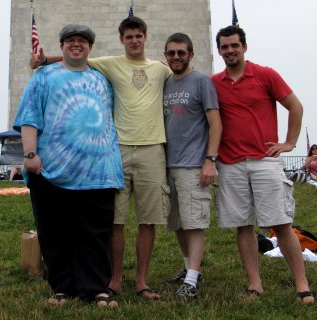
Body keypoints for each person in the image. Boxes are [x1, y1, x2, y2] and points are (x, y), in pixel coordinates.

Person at [30, 16, 172, 300]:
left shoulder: (161, 70)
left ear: (146, 37)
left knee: (148, 221)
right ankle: (114, 281)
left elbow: (182, 75)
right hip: (117, 151)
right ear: (121, 40)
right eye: (128, 36)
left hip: (151, 149)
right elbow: (75, 56)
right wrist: (44, 61)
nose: (134, 40)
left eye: (138, 36)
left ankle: (141, 281)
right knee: (113, 222)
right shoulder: (109, 64)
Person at [14, 24, 124, 307]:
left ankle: (96, 288)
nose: (77, 45)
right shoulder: (44, 77)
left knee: (96, 234)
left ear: (90, 47)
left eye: (82, 41)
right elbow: (29, 116)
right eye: (71, 40)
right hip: (51, 171)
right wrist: (29, 154)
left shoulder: (102, 79)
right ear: (62, 46)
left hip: (98, 172)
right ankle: (62, 288)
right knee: (55, 232)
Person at [211, 25, 316, 303]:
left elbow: (295, 106)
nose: (230, 50)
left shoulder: (265, 74)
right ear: (219, 50)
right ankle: (255, 285)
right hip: (230, 165)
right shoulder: (214, 82)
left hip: (264, 161)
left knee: (282, 224)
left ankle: (302, 286)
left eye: (234, 45)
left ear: (244, 47)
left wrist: (289, 143)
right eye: (224, 46)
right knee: (243, 226)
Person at [163, 33, 222, 302]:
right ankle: (190, 269)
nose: (176, 57)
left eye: (181, 52)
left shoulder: (201, 81)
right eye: (171, 53)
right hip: (167, 165)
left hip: (193, 165)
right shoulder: (165, 82)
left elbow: (216, 123)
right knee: (177, 223)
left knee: (194, 223)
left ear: (191, 54)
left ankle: (191, 281)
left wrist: (209, 160)